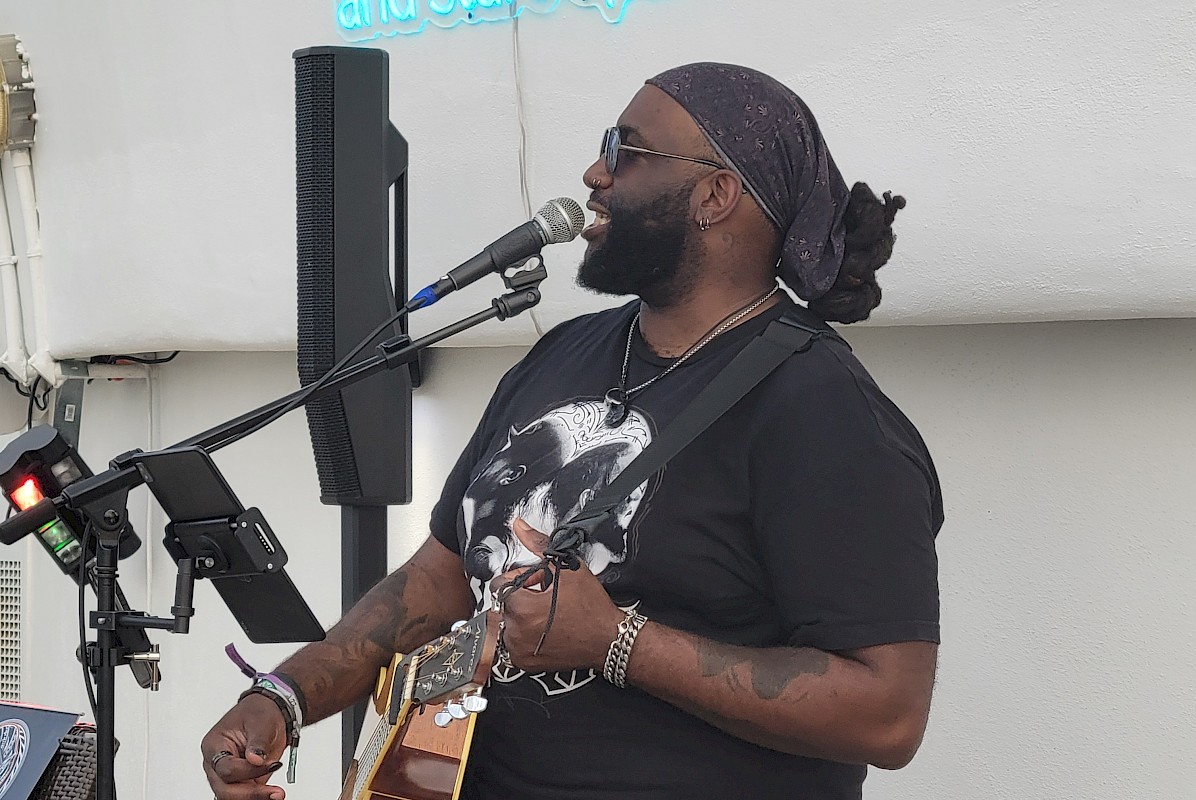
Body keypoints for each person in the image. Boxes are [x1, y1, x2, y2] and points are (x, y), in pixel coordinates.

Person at [202, 62, 941, 800]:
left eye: (625, 151)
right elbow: (442, 574)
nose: (594, 172)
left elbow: (888, 715)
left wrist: (620, 644)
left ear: (716, 195)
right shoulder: (566, 351)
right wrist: (285, 697)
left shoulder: (822, 410)